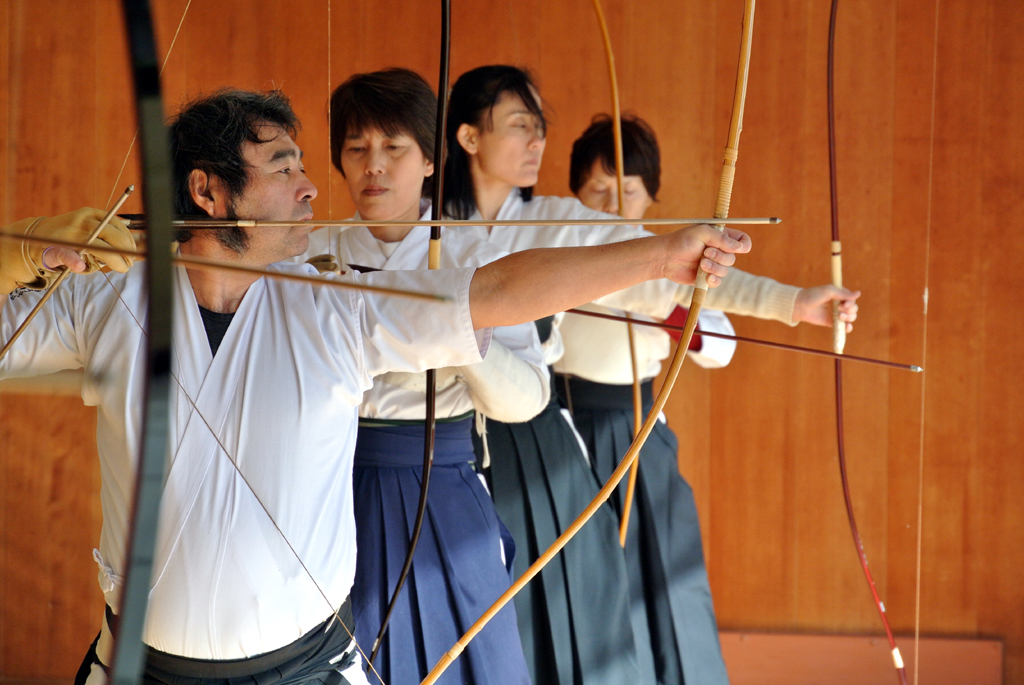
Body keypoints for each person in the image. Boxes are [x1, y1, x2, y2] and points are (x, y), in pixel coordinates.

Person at [0, 88, 749, 685]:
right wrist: (27, 248)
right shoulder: (104, 301)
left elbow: (494, 290)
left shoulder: (334, 305)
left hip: (306, 668)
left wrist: (659, 258)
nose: (310, 187)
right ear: (207, 190)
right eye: (283, 168)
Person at [443, 65, 859, 685]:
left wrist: (793, 303)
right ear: (469, 137)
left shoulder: (561, 221)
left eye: (539, 127)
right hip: (444, 446)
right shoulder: (428, 223)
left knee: (581, 614)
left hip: (539, 437)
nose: (537, 141)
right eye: (520, 125)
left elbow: (677, 271)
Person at [300, 68, 546, 685]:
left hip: (440, 481)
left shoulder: (478, 256)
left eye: (395, 146)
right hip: (330, 481)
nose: (374, 166)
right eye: (356, 148)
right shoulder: (307, 255)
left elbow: (527, 398)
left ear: (432, 160)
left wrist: (454, 324)